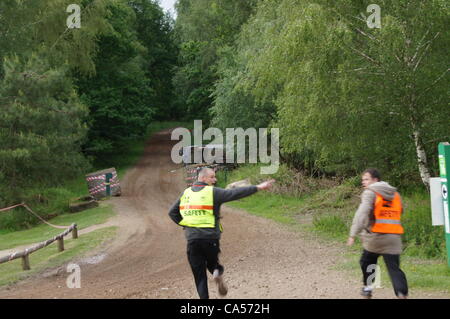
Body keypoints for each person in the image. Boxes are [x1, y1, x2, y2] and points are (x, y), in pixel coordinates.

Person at [168, 167, 274, 299]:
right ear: (203, 178)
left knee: (199, 276)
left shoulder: (186, 193)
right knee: (213, 264)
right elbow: (235, 193)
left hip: (192, 240)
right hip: (210, 238)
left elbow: (172, 212)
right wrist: (258, 187)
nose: (215, 179)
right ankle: (216, 272)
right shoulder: (213, 192)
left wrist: (185, 224)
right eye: (212, 177)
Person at [347, 168, 408, 299]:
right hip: (393, 237)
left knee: (367, 262)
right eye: (363, 179)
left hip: (375, 237)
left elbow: (362, 213)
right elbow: (401, 211)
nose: (363, 182)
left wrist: (353, 233)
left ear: (375, 180)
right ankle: (402, 293)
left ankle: (368, 288)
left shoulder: (370, 192)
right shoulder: (395, 194)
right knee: (394, 268)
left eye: (366, 179)